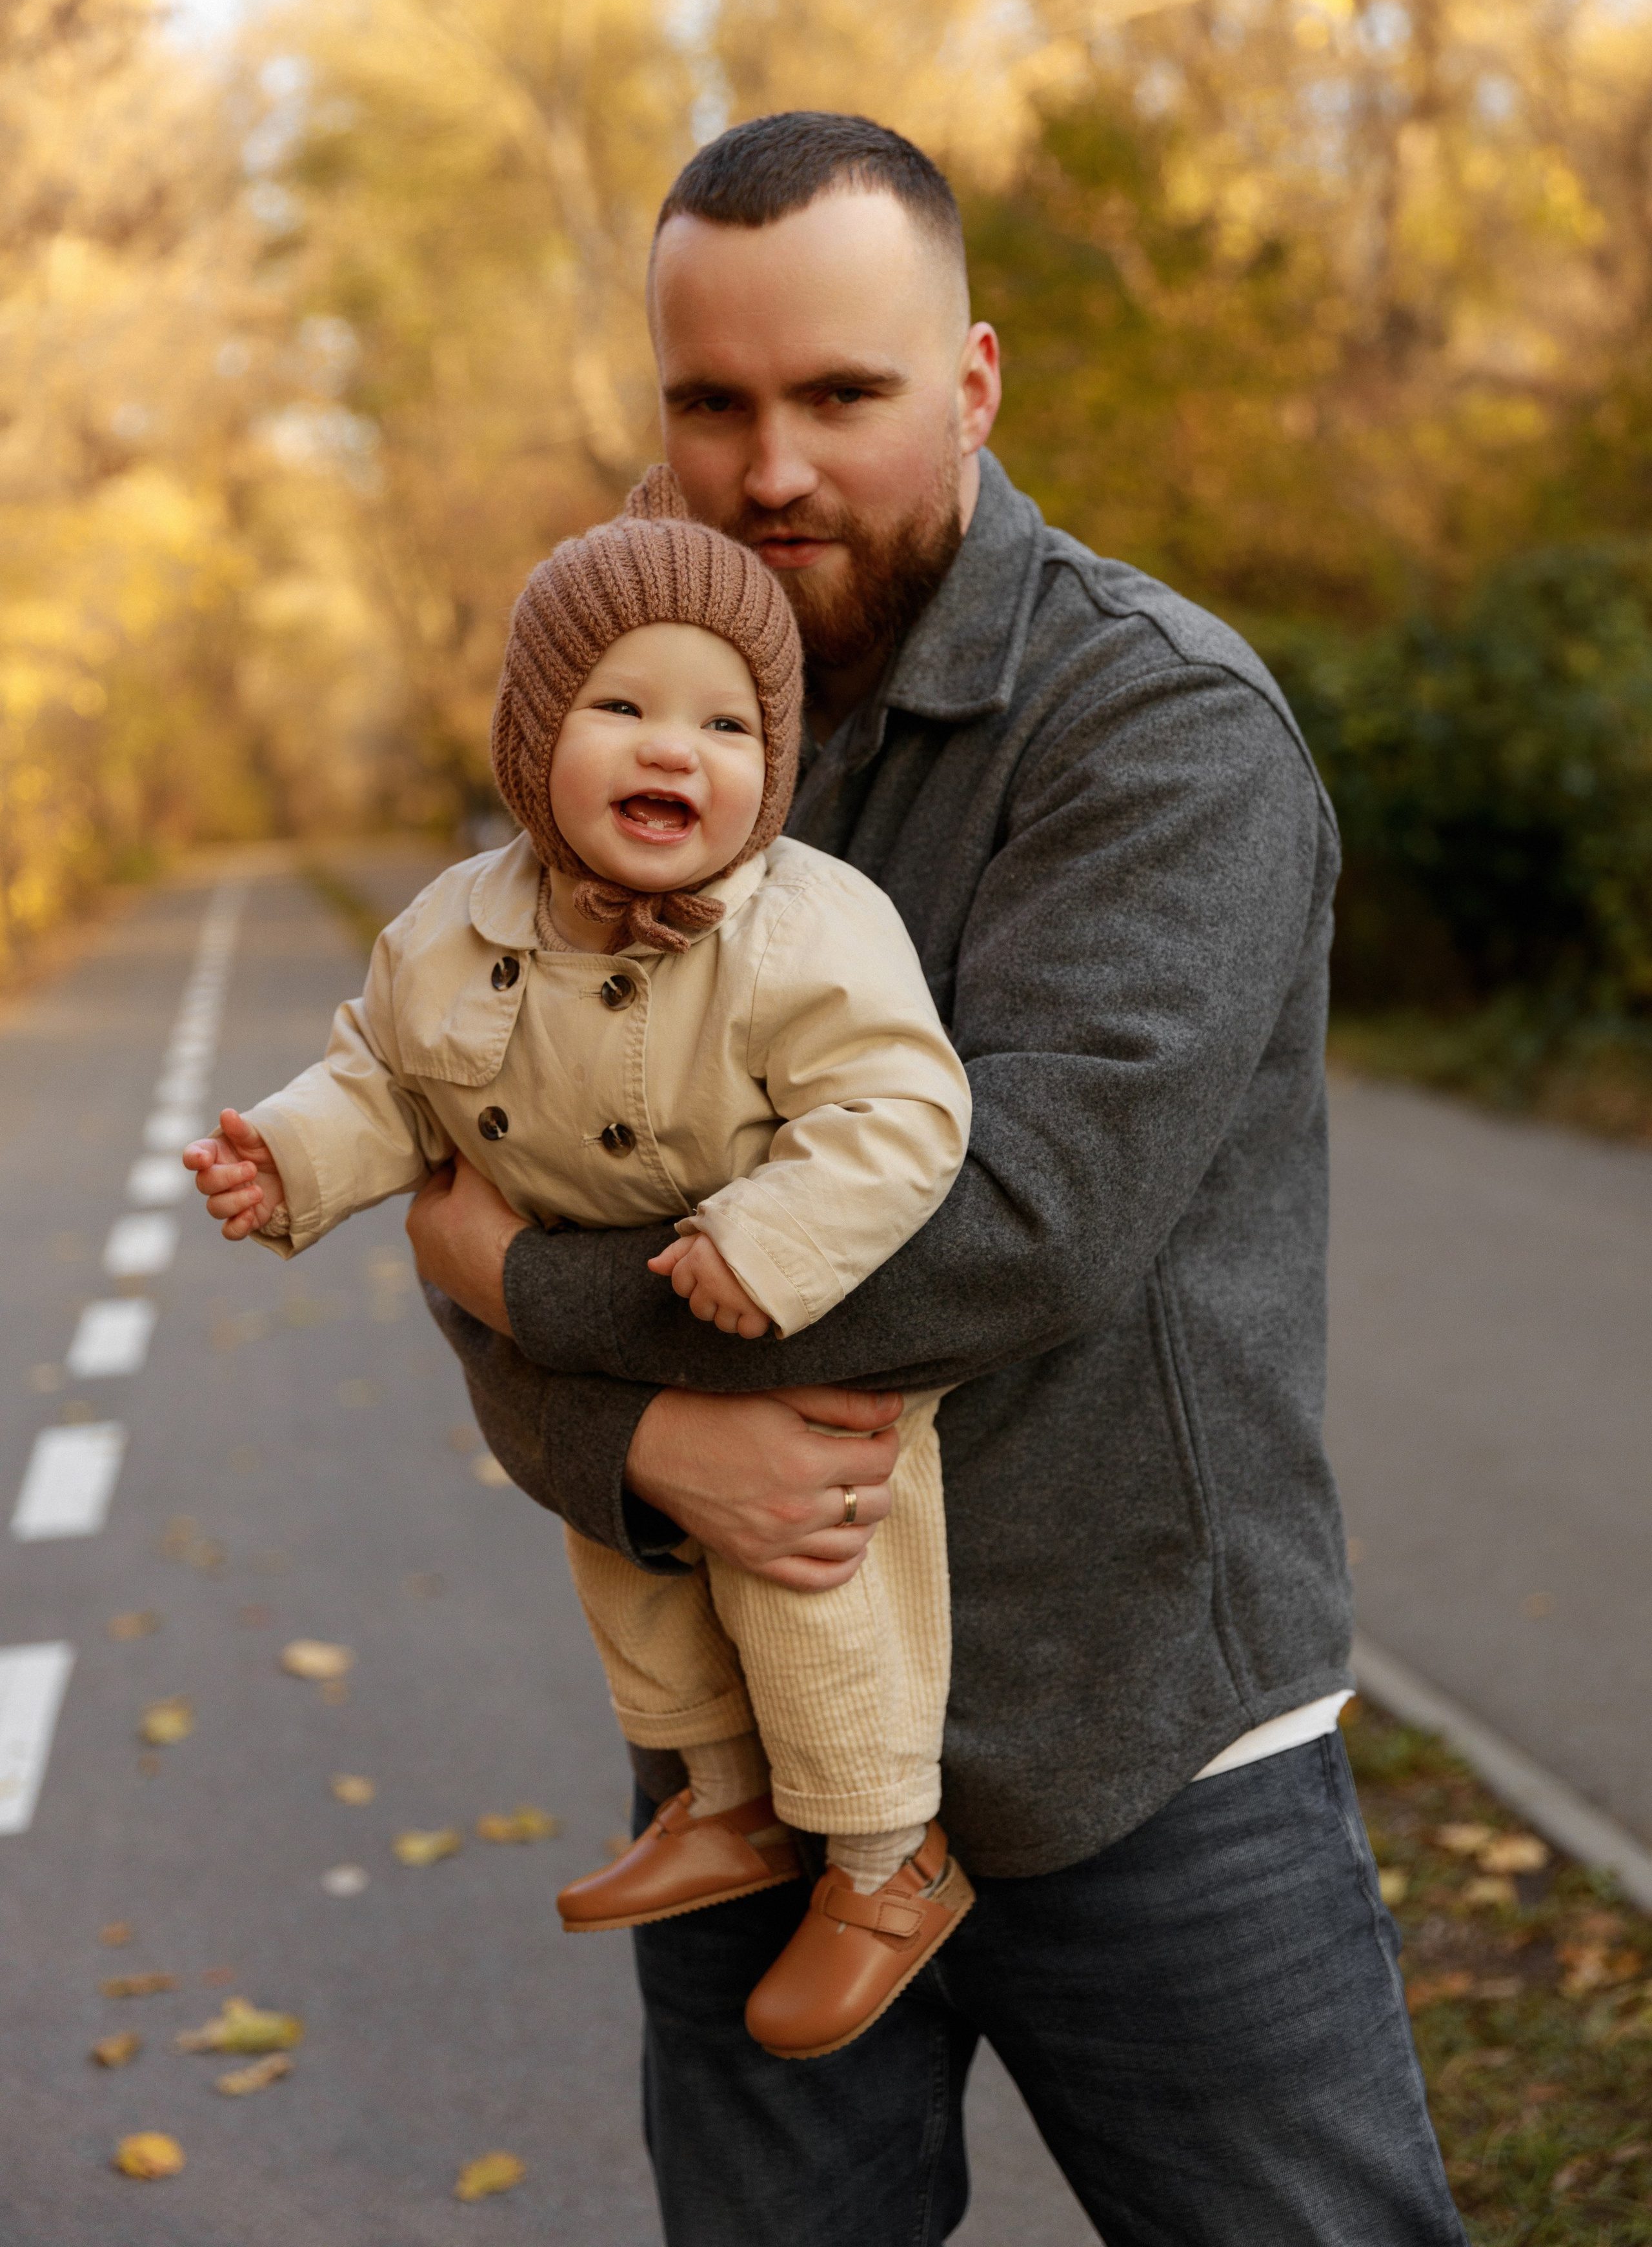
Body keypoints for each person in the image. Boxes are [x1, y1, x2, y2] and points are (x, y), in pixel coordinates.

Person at [408, 111, 1471, 2246]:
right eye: (713, 402)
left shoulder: (1157, 729)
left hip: (1141, 1756)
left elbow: (1014, 1226)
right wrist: (641, 1442)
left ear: (971, 385)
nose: (770, 468)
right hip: (767, 1770)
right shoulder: (628, 721)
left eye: (840, 396)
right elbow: (493, 1145)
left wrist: (539, 1306)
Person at [181, 502, 976, 2061]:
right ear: (534, 733)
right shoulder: (451, 930)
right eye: (619, 706)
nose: (671, 749)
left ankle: (890, 1859)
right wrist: (290, 1158)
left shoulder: (811, 930)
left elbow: (905, 1107)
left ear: (777, 759)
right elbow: (380, 1084)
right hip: (624, 1368)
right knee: (627, 1556)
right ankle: (723, 1802)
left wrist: (772, 1236)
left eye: (726, 722)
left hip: (790, 1350)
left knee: (809, 1584)